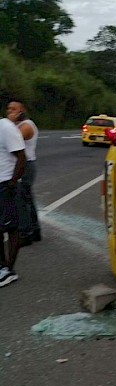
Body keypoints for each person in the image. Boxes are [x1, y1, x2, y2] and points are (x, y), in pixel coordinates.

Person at [6, 100, 41, 246]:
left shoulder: (27, 125)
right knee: (27, 198)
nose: (10, 111)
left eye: (14, 109)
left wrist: (9, 122)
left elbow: (11, 140)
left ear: (22, 111)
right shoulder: (15, 126)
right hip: (21, 165)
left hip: (26, 166)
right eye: (8, 109)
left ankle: (26, 233)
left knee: (22, 199)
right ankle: (34, 230)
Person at [0, 107, 26, 287]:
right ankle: (2, 266)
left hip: (6, 184)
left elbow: (21, 157)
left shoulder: (6, 127)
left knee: (11, 227)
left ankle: (9, 269)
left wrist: (12, 183)